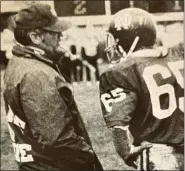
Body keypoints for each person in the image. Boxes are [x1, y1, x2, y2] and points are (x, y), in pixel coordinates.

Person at [3, 3, 103, 171]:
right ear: (35, 37)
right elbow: (57, 139)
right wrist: (88, 156)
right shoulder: (36, 74)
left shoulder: (20, 62)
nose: (61, 36)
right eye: (54, 32)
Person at [99, 8, 184, 170]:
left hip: (158, 154)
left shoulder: (121, 72)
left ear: (128, 40)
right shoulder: (178, 57)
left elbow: (119, 125)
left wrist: (126, 151)